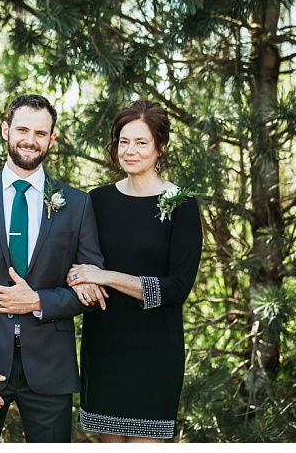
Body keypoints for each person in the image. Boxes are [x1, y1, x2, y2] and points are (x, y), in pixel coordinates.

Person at [0, 94, 108, 442]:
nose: (31, 140)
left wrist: (40, 302)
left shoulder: (76, 204)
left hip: (49, 366)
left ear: (52, 139)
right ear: (6, 130)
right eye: (23, 130)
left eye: (41, 133)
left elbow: (92, 290)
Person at [67, 99, 202, 442]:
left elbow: (177, 288)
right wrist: (78, 278)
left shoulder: (182, 205)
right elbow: (77, 265)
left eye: (141, 142)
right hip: (104, 346)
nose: (130, 151)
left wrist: (105, 276)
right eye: (124, 141)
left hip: (155, 352)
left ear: (160, 148)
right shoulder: (96, 201)